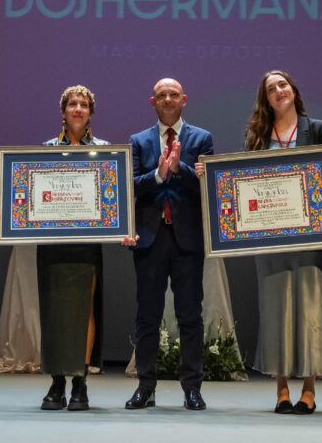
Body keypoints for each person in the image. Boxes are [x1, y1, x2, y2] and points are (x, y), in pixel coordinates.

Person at [0, 85, 107, 411]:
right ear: (63, 111)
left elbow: (115, 203)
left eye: (84, 104)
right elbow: (27, 199)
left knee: (85, 311)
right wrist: (4, 213)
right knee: (54, 313)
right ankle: (57, 381)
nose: (78, 109)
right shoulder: (45, 150)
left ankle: (80, 383)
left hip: (86, 247)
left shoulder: (105, 152)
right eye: (73, 104)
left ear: (91, 112)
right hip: (52, 246)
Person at [243, 70, 322, 415]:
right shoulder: (256, 135)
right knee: (275, 307)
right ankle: (281, 389)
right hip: (271, 235)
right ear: (265, 99)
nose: (278, 91)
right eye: (270, 89)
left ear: (293, 90)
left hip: (313, 234)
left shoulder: (319, 128)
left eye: (282, 85)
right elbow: (244, 181)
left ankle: (309, 390)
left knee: (310, 307)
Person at [122, 78, 213, 411]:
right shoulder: (138, 141)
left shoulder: (202, 138)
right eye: (162, 95)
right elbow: (130, 185)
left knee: (190, 317)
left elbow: (208, 186)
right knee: (148, 317)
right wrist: (159, 175)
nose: (168, 99)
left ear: (184, 99)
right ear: (153, 102)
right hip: (150, 240)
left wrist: (181, 169)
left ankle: (192, 388)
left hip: (187, 240)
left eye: (174, 95)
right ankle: (146, 387)